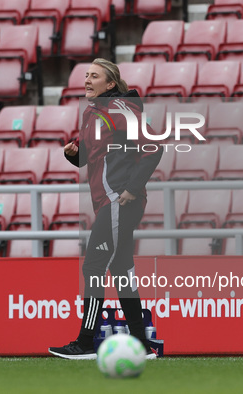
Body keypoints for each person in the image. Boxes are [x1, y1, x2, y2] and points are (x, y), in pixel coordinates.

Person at [48, 58, 163, 360]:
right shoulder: (91, 113)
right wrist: (73, 155)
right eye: (86, 75)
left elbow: (155, 147)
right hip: (109, 203)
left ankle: (86, 342)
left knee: (93, 268)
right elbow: (90, 157)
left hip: (119, 202)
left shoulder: (121, 111)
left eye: (94, 76)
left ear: (110, 84)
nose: (87, 80)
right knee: (121, 271)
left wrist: (131, 189)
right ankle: (141, 344)